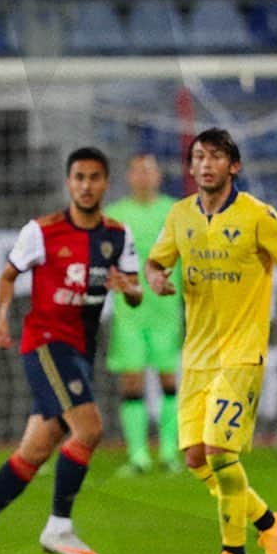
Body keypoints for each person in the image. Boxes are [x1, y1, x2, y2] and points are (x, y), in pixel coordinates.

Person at [0, 147, 141, 554]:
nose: (87, 185)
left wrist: (126, 289)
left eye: (94, 177)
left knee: (34, 451)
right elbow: (7, 276)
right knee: (89, 429)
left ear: (106, 183)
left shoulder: (117, 236)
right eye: (79, 177)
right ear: (68, 182)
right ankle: (58, 526)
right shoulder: (42, 230)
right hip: (46, 343)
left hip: (81, 351)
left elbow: (135, 293)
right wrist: (1, 318)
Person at [145, 128, 277, 554]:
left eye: (215, 156)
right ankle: (270, 524)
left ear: (233, 166)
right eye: (198, 156)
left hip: (241, 354)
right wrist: (156, 278)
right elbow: (156, 262)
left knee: (220, 450)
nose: (205, 164)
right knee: (196, 459)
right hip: (196, 356)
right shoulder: (180, 215)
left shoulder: (258, 216)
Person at [105, 153, 182, 474]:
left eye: (149, 170)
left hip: (165, 311)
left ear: (159, 176)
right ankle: (137, 456)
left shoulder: (176, 212)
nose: (144, 176)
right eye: (137, 171)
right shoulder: (114, 215)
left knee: (168, 379)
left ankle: (168, 453)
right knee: (132, 381)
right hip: (130, 313)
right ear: (129, 177)